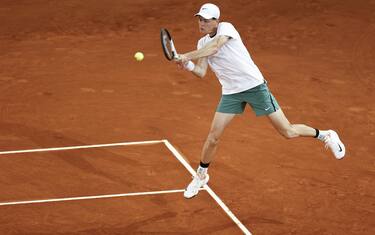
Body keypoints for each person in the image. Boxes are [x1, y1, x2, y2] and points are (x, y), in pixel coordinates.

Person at [175, 3, 346, 199]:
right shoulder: (201, 43)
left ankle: (326, 135)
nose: (202, 23)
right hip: (231, 92)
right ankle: (201, 176)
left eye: (206, 20)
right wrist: (187, 64)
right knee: (213, 137)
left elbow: (215, 47)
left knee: (287, 132)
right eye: (200, 19)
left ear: (216, 21)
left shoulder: (226, 28)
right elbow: (201, 72)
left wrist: (186, 55)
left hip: (255, 87)